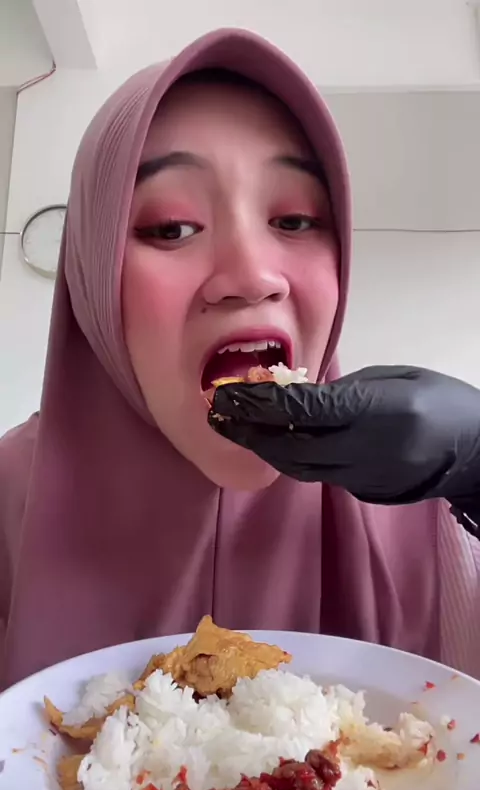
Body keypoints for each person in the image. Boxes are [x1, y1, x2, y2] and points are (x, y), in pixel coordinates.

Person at [1, 28, 479, 692]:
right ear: (92, 273)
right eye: (172, 227)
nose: (253, 277)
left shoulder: (427, 507)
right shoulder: (8, 500)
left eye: (294, 220)